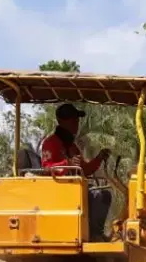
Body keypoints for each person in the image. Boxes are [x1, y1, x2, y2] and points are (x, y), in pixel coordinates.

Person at [40, 103, 113, 240]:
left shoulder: (72, 146)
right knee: (96, 195)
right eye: (73, 119)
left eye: (77, 120)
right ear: (61, 121)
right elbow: (46, 169)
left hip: (75, 190)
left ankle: (95, 232)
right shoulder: (50, 143)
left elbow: (85, 170)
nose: (77, 123)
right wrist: (67, 163)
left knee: (104, 194)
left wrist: (99, 158)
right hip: (59, 191)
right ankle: (94, 235)